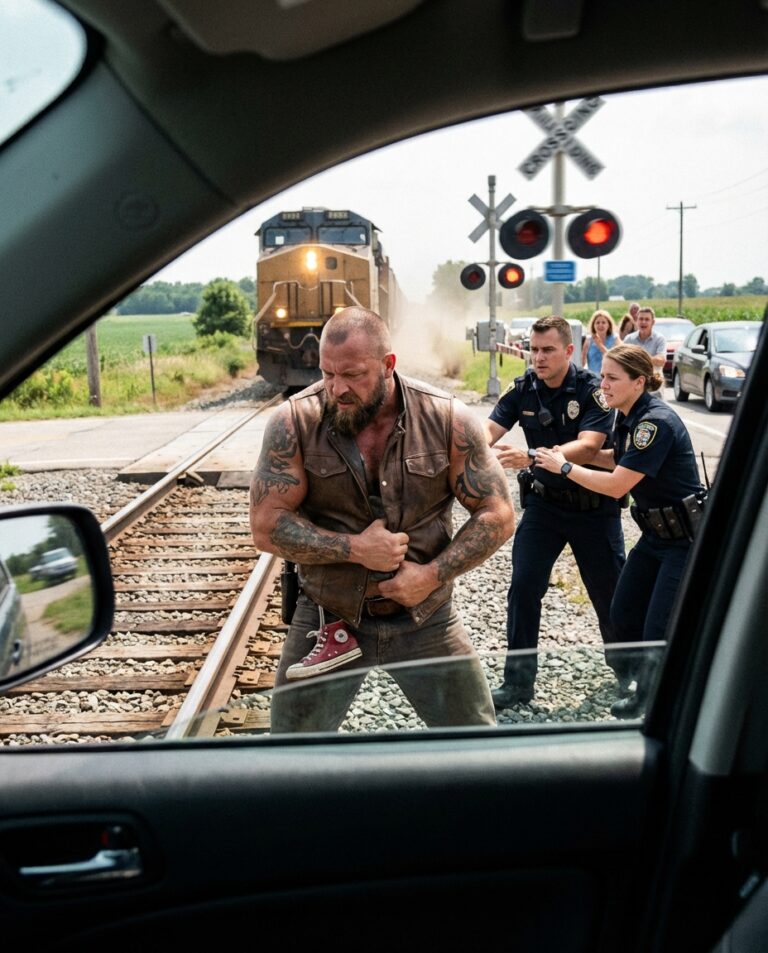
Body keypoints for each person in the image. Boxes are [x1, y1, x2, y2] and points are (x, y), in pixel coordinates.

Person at [249, 306, 516, 733]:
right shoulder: (294, 421)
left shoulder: (447, 418)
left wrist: (430, 575)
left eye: (352, 375)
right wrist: (355, 549)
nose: (337, 388)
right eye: (327, 373)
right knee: (292, 754)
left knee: (475, 743)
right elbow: (266, 525)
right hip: (328, 618)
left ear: (388, 365)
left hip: (426, 617)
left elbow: (498, 514)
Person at [535, 344, 706, 719]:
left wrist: (564, 468)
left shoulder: (654, 423)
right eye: (602, 377)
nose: (604, 385)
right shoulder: (628, 417)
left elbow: (617, 485)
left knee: (658, 627)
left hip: (683, 542)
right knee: (623, 611)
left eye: (612, 378)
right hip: (655, 537)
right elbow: (615, 458)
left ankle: (651, 703)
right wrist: (561, 453)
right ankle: (644, 681)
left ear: (638, 382)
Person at [483, 316, 626, 710]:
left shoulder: (592, 390)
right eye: (534, 349)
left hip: (593, 508)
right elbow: (488, 430)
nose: (539, 357)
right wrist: (467, 446)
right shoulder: (524, 388)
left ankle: (629, 673)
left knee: (610, 595)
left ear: (568, 351)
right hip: (545, 506)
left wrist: (530, 456)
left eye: (548, 350)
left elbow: (589, 445)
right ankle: (517, 684)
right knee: (523, 587)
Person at [582, 309, 618, 373]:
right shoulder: (589, 339)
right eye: (597, 323)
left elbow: (615, 359)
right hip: (593, 376)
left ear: (608, 324)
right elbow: (582, 363)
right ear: (593, 325)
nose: (600, 325)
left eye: (603, 322)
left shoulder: (615, 339)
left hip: (610, 376)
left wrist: (599, 345)